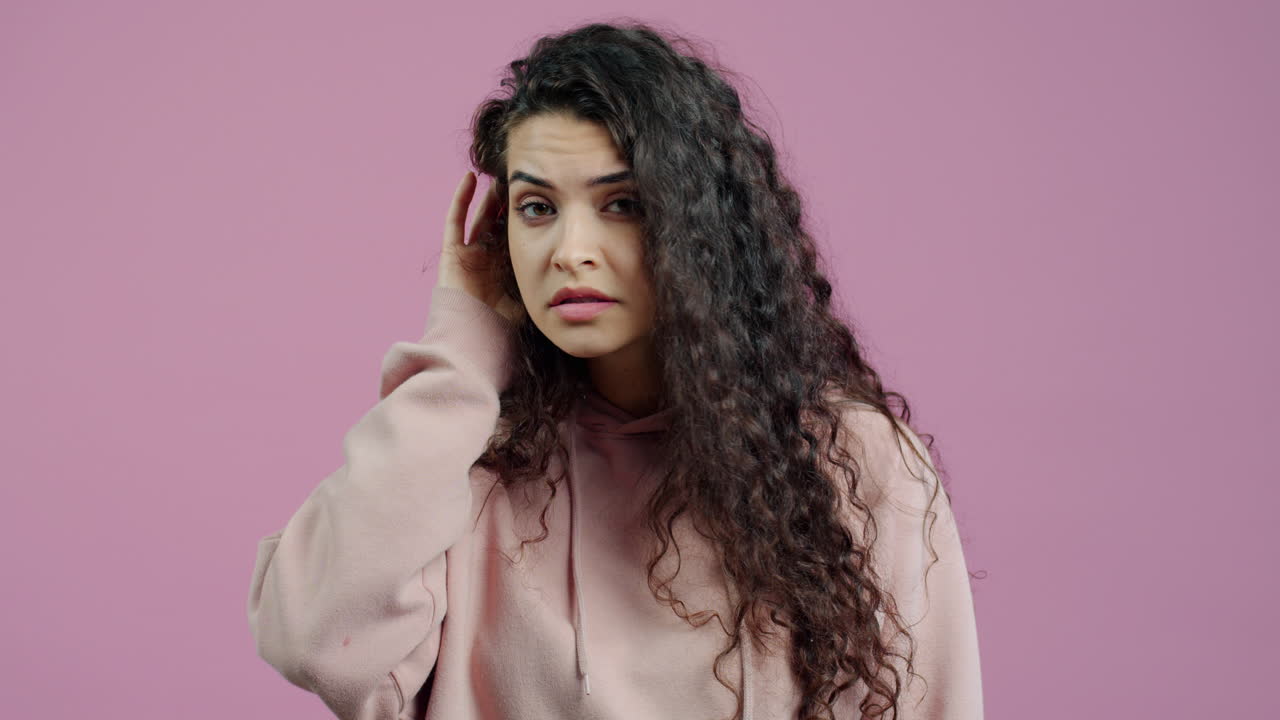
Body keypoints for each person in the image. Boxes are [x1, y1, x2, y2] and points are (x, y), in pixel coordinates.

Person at [246, 20, 984, 720]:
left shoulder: (852, 462)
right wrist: (461, 353)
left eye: (621, 203)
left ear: (697, 224)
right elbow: (312, 637)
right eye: (537, 207)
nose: (570, 249)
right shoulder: (467, 460)